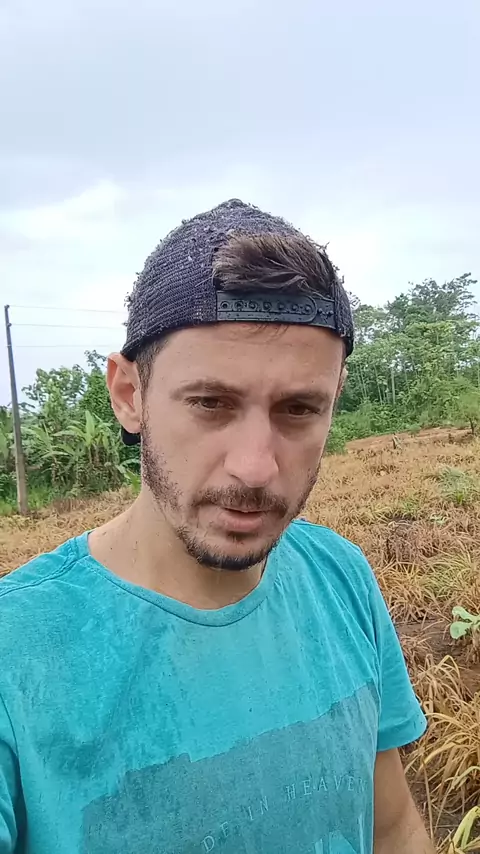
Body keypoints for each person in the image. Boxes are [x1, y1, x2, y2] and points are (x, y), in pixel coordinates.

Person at [0, 199, 434, 854]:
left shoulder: (340, 576)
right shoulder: (17, 653)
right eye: (210, 403)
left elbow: (393, 828)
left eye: (299, 409)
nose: (256, 467)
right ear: (129, 395)